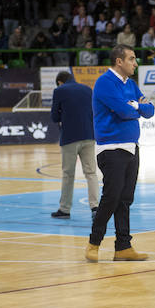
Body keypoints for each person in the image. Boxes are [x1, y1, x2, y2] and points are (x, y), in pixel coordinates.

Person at [85, 45, 155, 263]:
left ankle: (123, 246)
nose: (135, 63)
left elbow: (150, 110)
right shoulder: (105, 83)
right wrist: (136, 107)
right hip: (111, 149)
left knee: (126, 198)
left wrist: (135, 106)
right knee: (111, 197)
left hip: (132, 147)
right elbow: (124, 111)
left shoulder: (131, 84)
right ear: (119, 61)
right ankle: (94, 242)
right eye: (132, 59)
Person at [50, 71, 100, 219]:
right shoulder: (87, 89)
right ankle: (95, 207)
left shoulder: (59, 91)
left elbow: (54, 116)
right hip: (89, 136)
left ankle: (65, 209)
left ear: (60, 82)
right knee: (91, 173)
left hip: (70, 137)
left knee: (68, 174)